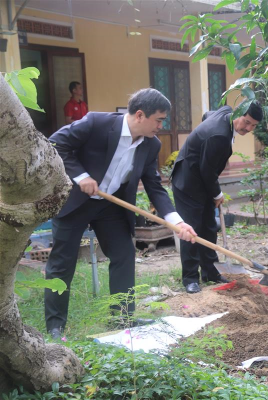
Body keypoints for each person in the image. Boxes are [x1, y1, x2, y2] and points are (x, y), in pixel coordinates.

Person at [46, 88, 196, 340]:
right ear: (140, 115)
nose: (161, 126)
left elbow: (154, 186)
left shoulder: (151, 144)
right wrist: (81, 176)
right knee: (62, 263)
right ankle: (55, 325)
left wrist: (176, 221)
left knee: (124, 254)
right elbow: (55, 144)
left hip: (111, 206)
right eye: (159, 120)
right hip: (76, 202)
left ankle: (122, 317)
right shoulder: (96, 123)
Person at [171, 102, 263, 294]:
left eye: (253, 125)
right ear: (238, 114)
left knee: (209, 227)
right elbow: (207, 170)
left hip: (203, 182)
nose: (248, 128)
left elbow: (207, 115)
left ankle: (210, 272)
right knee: (191, 230)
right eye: (246, 122)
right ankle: (190, 278)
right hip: (188, 183)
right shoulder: (219, 135)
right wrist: (218, 194)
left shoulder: (226, 113)